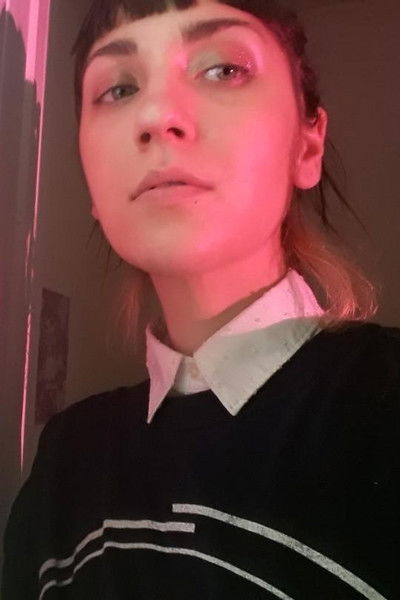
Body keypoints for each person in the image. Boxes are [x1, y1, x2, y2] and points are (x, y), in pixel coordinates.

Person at [2, 0, 399, 598]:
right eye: (119, 88)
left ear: (307, 147)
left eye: (223, 69)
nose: (157, 115)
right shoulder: (64, 458)